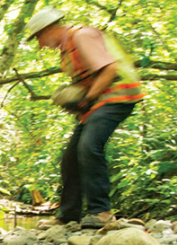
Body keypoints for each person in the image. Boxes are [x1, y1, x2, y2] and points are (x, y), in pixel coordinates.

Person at [26, 7, 143, 228]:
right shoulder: (68, 48)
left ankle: (102, 213)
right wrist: (77, 100)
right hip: (98, 102)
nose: (40, 45)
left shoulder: (82, 36)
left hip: (117, 97)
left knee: (88, 147)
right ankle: (68, 215)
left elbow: (109, 69)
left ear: (50, 28)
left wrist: (86, 99)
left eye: (39, 38)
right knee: (70, 158)